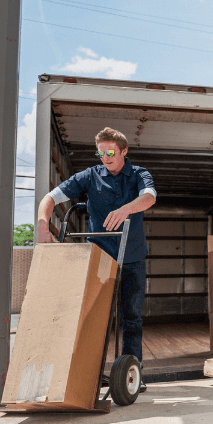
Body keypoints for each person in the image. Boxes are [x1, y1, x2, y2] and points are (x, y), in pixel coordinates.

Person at [36, 127, 156, 393]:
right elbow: (50, 198)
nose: (105, 157)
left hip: (132, 256)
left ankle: (133, 373)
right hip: (99, 257)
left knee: (132, 318)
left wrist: (127, 208)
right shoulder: (89, 176)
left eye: (111, 152)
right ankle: (90, 372)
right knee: (94, 316)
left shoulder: (138, 174)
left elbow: (149, 197)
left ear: (124, 151)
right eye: (100, 153)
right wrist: (43, 227)